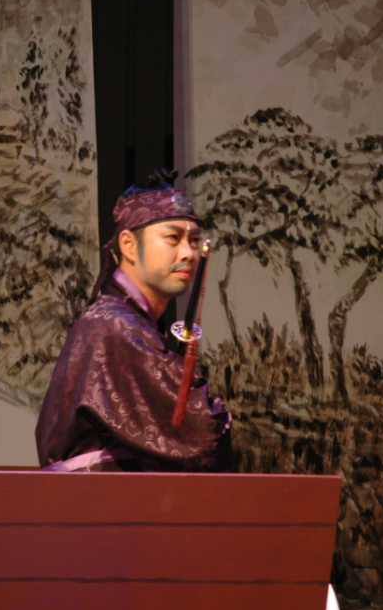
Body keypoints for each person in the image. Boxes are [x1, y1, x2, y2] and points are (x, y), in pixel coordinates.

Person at [35, 171, 234, 472]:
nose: (188, 253)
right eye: (173, 238)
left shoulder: (125, 322)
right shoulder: (114, 327)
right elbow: (200, 434)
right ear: (128, 245)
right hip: (102, 497)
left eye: (194, 241)